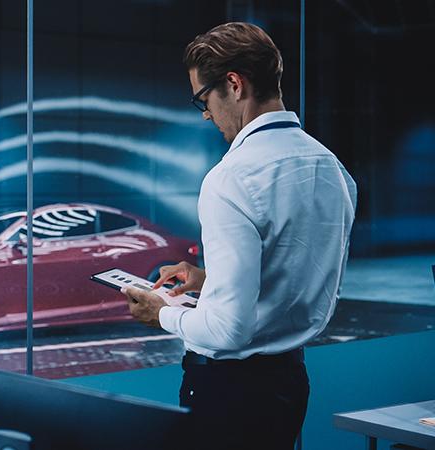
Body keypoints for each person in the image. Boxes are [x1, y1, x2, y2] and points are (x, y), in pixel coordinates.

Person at [121, 22, 357, 450]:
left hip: (227, 395)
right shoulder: (334, 171)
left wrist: (161, 313)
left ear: (233, 84)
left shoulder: (230, 179)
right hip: (288, 386)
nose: (207, 114)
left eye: (203, 100)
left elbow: (228, 331)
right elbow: (292, 279)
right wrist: (210, 279)